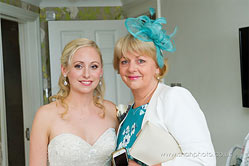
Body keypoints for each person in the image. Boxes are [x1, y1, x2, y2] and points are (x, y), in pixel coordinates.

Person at [113, 8, 216, 166]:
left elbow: (204, 161)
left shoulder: (173, 98)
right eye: (124, 61)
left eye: (140, 61)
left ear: (158, 67)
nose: (131, 68)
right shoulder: (127, 116)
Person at [29, 38, 118, 166]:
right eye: (78, 66)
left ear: (101, 71)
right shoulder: (45, 115)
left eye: (94, 66)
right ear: (64, 70)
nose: (87, 74)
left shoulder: (112, 110)